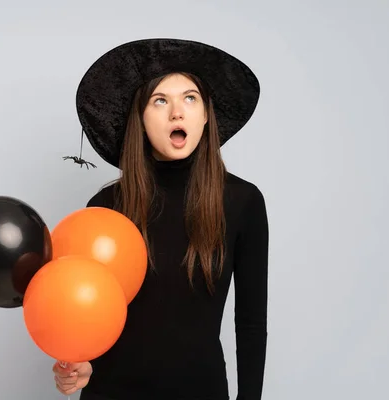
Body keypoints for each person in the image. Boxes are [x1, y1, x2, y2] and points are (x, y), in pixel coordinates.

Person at [53, 38, 269, 400]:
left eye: (189, 98)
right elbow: (90, 311)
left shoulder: (243, 202)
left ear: (205, 115)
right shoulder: (105, 206)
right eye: (159, 101)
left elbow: (249, 324)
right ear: (139, 118)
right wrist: (82, 364)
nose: (177, 113)